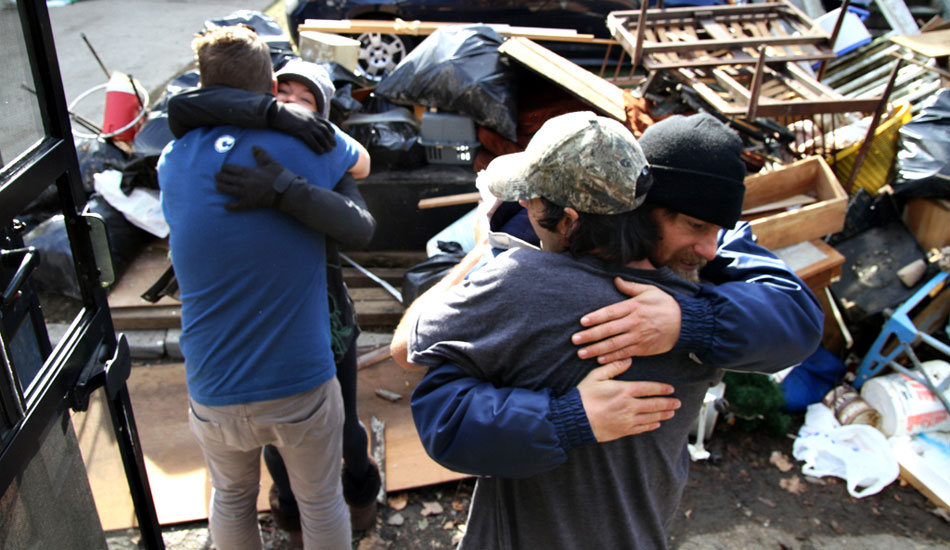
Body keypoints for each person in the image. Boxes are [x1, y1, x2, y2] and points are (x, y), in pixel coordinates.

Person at [391, 113, 824, 478]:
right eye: (696, 226)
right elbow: (448, 398)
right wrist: (565, 418)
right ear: (639, 203)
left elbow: (800, 320)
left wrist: (689, 323)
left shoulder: (695, 267)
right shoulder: (537, 260)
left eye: (717, 230)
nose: (712, 248)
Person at [158, 26, 362, 549]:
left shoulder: (173, 161)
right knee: (320, 501)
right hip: (299, 381)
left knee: (229, 498)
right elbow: (362, 164)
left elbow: (184, 112)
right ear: (271, 85)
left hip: (213, 384)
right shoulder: (309, 145)